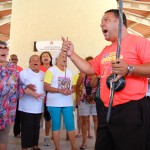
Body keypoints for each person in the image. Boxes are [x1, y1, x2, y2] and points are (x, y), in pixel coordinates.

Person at [61, 9, 150, 150]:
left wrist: (130, 69)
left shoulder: (139, 42)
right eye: (101, 21)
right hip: (105, 109)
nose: (101, 24)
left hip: (130, 109)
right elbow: (90, 69)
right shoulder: (106, 50)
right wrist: (72, 54)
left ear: (120, 22)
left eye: (106, 20)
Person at [0, 41, 42, 150]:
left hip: (8, 110)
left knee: (4, 137)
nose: (4, 50)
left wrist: (33, 93)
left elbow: (19, 85)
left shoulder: (13, 67)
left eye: (6, 48)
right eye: (0, 48)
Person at [44, 52, 77, 150]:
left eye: (66, 57)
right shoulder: (51, 70)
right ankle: (57, 148)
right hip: (54, 103)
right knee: (56, 125)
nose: (65, 58)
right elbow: (46, 87)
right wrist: (59, 90)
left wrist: (71, 90)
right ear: (56, 59)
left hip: (67, 103)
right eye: (62, 57)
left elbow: (74, 86)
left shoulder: (70, 71)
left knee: (70, 125)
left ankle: (73, 147)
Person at [19, 54, 46, 150]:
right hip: (26, 106)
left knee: (36, 126)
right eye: (33, 60)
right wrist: (27, 85)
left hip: (39, 106)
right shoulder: (23, 73)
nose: (35, 61)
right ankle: (25, 147)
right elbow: (18, 87)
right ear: (29, 63)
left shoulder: (43, 74)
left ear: (40, 63)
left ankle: (35, 145)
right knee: (27, 128)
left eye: (37, 60)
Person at [76, 56, 98, 149]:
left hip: (96, 101)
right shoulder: (83, 74)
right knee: (84, 121)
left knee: (96, 120)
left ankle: (98, 142)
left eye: (91, 63)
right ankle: (84, 142)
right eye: (88, 63)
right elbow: (77, 86)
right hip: (84, 100)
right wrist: (77, 97)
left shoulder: (97, 73)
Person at [39, 51, 53, 146]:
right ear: (41, 59)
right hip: (38, 97)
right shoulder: (37, 69)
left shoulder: (54, 69)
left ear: (50, 58)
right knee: (37, 118)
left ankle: (47, 137)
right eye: (43, 56)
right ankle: (34, 136)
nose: (45, 57)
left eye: (47, 56)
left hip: (50, 98)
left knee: (48, 118)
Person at [9, 54, 23, 138]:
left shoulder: (20, 70)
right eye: (12, 59)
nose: (14, 60)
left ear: (17, 60)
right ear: (9, 60)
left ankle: (17, 132)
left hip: (17, 97)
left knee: (18, 115)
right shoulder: (5, 69)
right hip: (6, 97)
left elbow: (22, 83)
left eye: (15, 59)